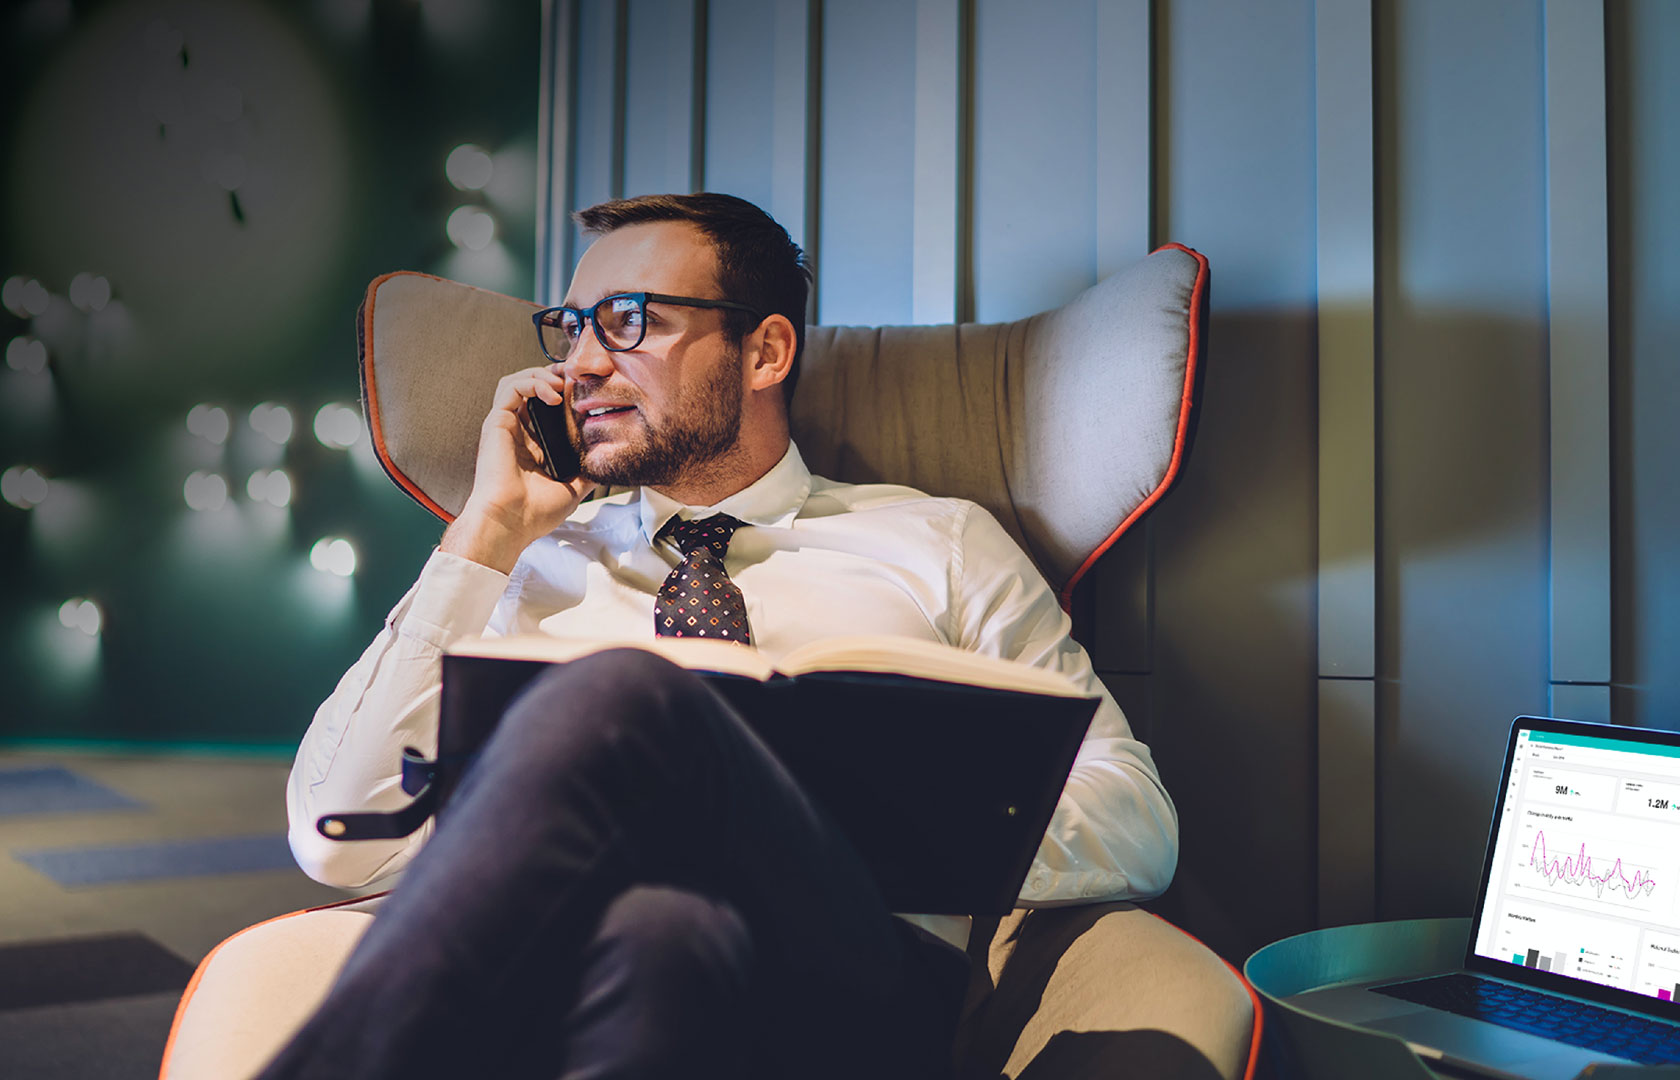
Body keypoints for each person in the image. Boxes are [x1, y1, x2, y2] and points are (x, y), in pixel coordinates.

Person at [265, 192, 1177, 1079]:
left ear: (765, 351)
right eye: (573, 325)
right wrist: (487, 531)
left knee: (624, 693)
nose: (581, 362)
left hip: (857, 978)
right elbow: (338, 833)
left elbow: (1136, 816)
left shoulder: (938, 540)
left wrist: (807, 813)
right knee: (663, 934)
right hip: (586, 986)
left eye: (628, 320)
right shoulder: (521, 561)